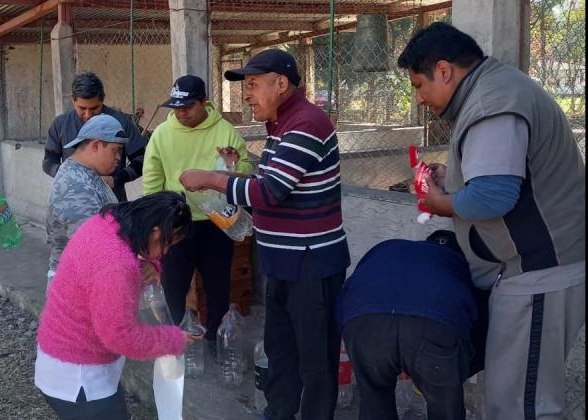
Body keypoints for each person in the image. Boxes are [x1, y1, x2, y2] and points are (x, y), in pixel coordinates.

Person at [397, 22, 585, 419]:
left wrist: (440, 201)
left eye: (418, 85)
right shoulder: (494, 90)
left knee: (523, 405)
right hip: (529, 271)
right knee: (509, 394)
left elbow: (491, 197)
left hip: (539, 272)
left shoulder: (491, 104)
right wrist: (452, 180)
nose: (419, 99)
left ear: (444, 70)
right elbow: (501, 176)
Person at [179, 49, 351, 420]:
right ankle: (278, 413)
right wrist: (231, 175)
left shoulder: (306, 123)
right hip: (286, 263)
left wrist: (212, 179)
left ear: (282, 84)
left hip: (312, 264)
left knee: (316, 359)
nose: (247, 94)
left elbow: (269, 192)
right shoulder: (281, 128)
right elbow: (264, 185)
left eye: (254, 85)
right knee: (280, 349)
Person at [35, 191, 199, 420]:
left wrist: (152, 264)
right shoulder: (117, 264)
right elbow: (120, 336)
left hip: (63, 359)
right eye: (168, 244)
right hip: (79, 380)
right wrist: (172, 340)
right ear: (156, 232)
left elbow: (139, 256)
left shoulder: (108, 222)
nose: (165, 253)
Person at [143, 74, 252, 343]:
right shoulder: (162, 134)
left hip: (217, 224)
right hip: (176, 225)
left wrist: (234, 164)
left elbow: (246, 173)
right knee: (173, 286)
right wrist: (158, 222)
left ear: (204, 102)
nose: (181, 113)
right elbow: (152, 180)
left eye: (188, 106)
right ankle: (175, 340)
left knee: (218, 287)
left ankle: (216, 340)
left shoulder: (225, 131)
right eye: (176, 107)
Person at [337, 231, 478, 420]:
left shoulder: (388, 248)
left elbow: (347, 297)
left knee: (374, 399)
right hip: (433, 325)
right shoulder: (460, 264)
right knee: (445, 408)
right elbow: (478, 326)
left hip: (364, 322)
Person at [46, 114, 128, 284]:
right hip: (76, 285)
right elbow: (96, 247)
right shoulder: (75, 187)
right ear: (96, 145)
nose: (119, 157)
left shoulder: (87, 175)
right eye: (116, 150)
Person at [42, 71, 147, 202]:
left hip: (112, 203)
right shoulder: (60, 124)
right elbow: (48, 162)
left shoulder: (122, 122)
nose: (88, 114)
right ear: (73, 101)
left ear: (103, 99)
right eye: (82, 108)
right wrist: (69, 176)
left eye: (94, 108)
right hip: (73, 201)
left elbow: (142, 161)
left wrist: (116, 179)